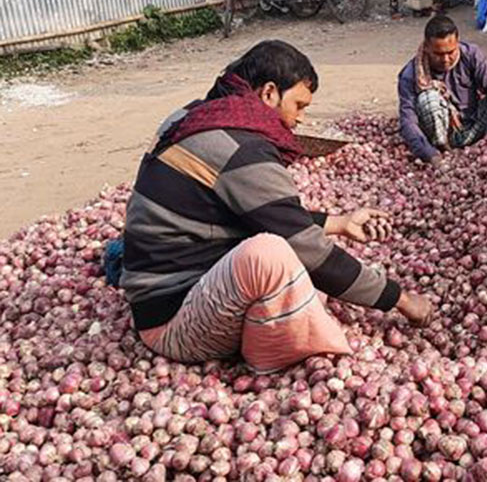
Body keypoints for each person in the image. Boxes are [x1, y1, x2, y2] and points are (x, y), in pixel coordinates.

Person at [120, 41, 433, 373]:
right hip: (174, 324)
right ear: (269, 93)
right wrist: (400, 300)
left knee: (292, 258)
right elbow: (304, 246)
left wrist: (339, 223)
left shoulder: (195, 117)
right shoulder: (241, 149)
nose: (299, 119)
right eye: (298, 105)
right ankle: (282, 362)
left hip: (162, 297)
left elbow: (242, 212)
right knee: (271, 255)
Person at [397, 16, 487, 165]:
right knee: (429, 98)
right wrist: (430, 155)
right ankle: (444, 150)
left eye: (450, 52)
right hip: (445, 135)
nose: (445, 59)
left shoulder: (471, 54)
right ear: (426, 47)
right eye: (438, 54)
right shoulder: (410, 74)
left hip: (476, 124)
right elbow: (408, 121)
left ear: (457, 43)